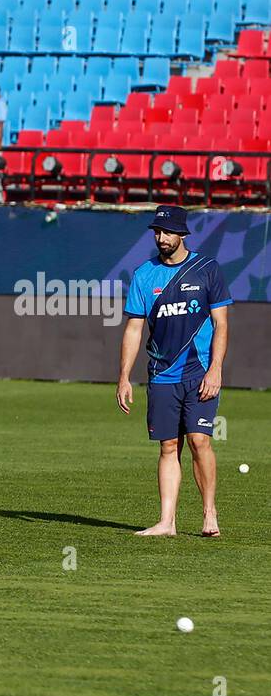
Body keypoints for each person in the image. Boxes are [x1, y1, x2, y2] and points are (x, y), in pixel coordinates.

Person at [117, 205, 232, 537]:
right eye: (156, 231)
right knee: (168, 446)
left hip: (199, 374)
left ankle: (210, 514)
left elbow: (221, 325)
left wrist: (216, 369)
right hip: (161, 375)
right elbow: (134, 329)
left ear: (182, 233)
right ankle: (167, 522)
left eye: (166, 232)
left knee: (199, 441)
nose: (160, 237)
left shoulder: (206, 269)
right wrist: (124, 376)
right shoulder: (144, 275)